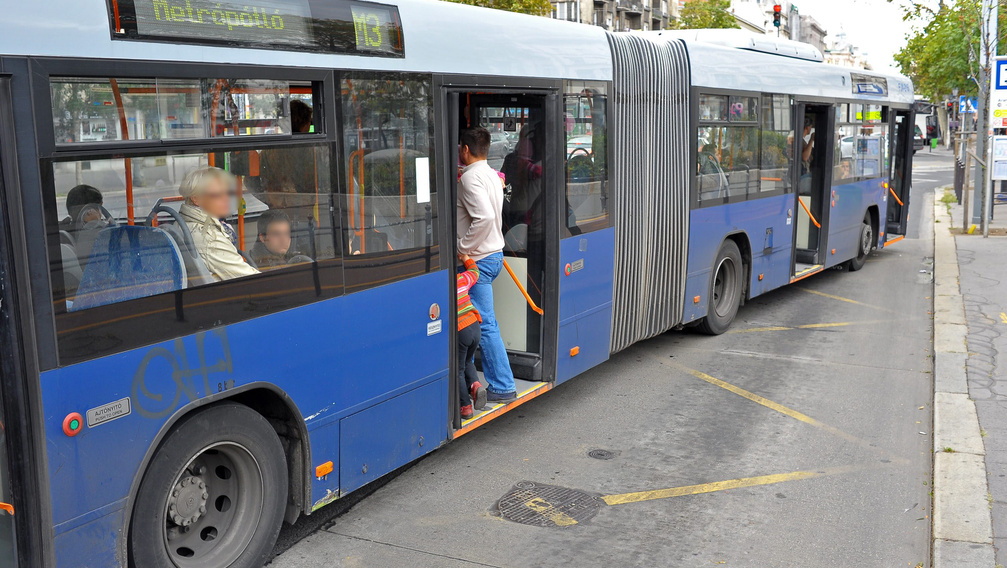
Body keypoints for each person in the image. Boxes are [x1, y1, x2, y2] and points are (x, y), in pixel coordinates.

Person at [457, 127, 517, 403]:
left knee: (486, 324)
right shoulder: (491, 174)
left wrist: (462, 248)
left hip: (477, 260)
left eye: (459, 147)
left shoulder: (470, 178)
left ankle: (502, 386)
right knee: (483, 321)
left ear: (465, 150)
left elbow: (483, 218)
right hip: (493, 255)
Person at [178, 166, 259, 282]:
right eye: (217, 194)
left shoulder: (182, 222)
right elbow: (250, 280)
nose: (226, 199)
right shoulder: (210, 238)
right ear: (196, 199)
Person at [456, 253, 487, 419]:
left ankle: (465, 407)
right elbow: (475, 271)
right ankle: (475, 385)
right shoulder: (462, 279)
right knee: (468, 361)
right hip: (475, 325)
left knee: (458, 369)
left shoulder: (442, 287)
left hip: (461, 330)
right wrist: (465, 257)